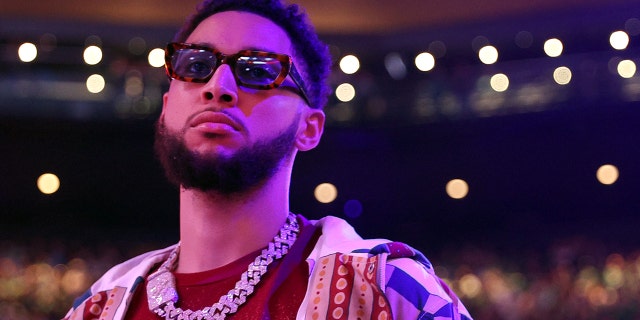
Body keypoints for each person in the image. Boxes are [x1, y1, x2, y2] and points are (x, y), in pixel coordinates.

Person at [64, 0, 473, 319]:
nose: (218, 87)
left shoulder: (389, 290)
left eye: (258, 71)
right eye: (196, 66)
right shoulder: (99, 307)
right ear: (167, 107)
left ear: (309, 128)